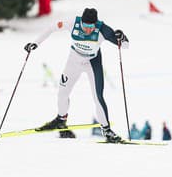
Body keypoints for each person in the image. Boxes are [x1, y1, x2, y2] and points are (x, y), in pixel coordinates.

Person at [24, 8, 129, 143]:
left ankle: (107, 131)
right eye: (85, 26)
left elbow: (125, 45)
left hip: (92, 63)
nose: (88, 29)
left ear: (95, 24)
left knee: (98, 97)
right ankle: (60, 120)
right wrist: (35, 43)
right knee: (62, 92)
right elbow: (51, 28)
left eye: (91, 27)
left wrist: (122, 37)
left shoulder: (103, 30)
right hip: (73, 61)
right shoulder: (73, 23)